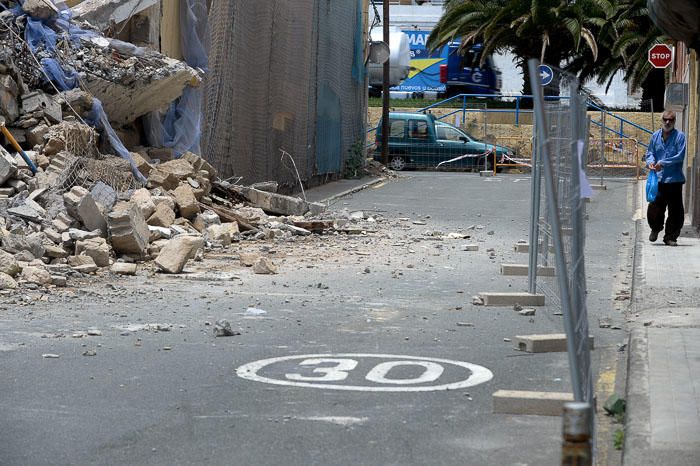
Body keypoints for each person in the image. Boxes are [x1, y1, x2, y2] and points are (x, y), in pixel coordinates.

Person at [645, 109, 686, 246]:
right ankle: (655, 228)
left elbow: (679, 156)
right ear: (661, 120)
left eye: (671, 120)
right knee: (655, 207)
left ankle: (670, 237)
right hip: (659, 180)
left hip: (674, 180)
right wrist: (650, 162)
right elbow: (650, 152)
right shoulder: (655, 136)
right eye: (665, 119)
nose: (668, 122)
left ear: (674, 121)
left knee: (676, 211)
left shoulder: (680, 137)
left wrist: (662, 163)